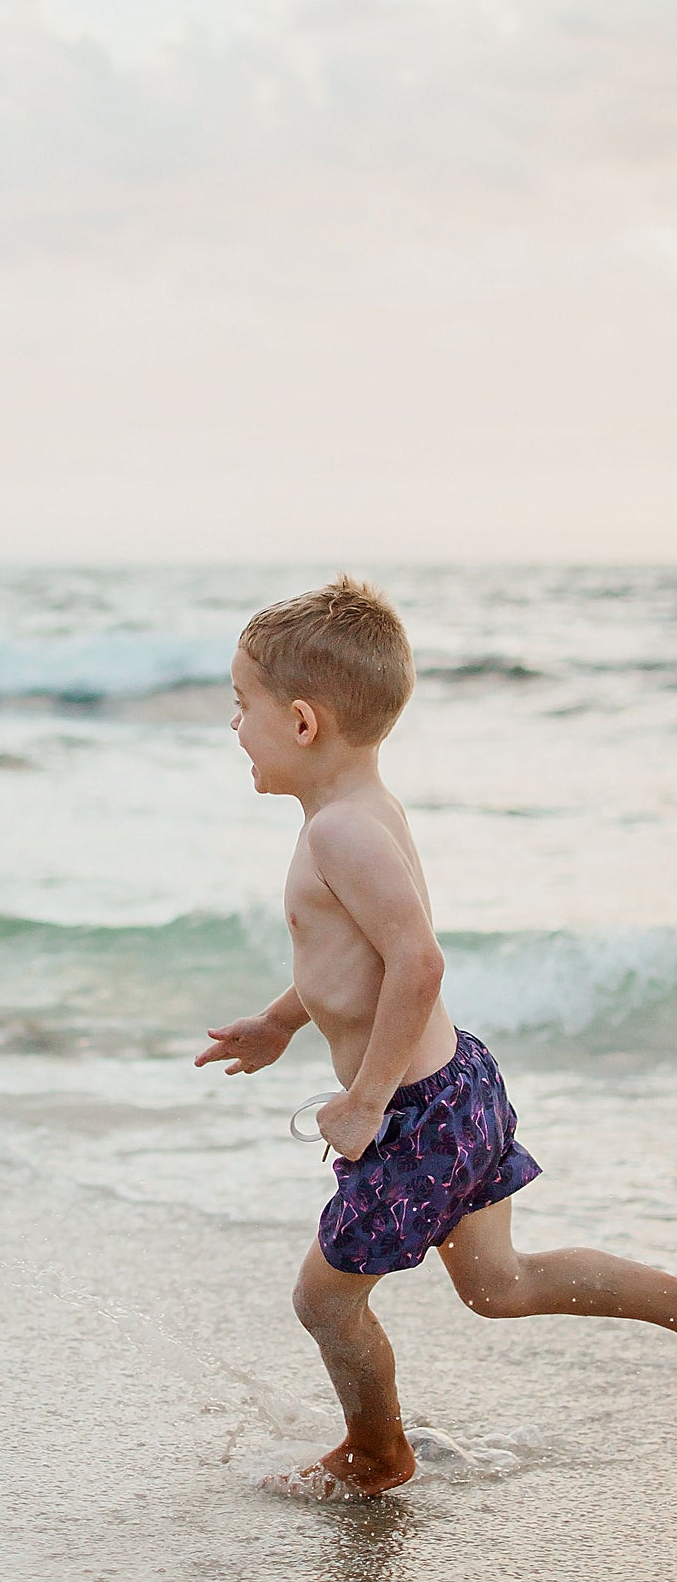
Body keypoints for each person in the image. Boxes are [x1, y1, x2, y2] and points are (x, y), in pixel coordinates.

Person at [195, 577, 677, 1498]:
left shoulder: (342, 834)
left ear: (302, 723)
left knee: (324, 1300)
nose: (232, 725)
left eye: (239, 705)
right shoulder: (361, 811)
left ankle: (378, 1454)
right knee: (501, 1286)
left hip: (415, 1113)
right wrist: (279, 1022)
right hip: (458, 1086)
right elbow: (351, 966)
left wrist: (367, 1099)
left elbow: (418, 964)